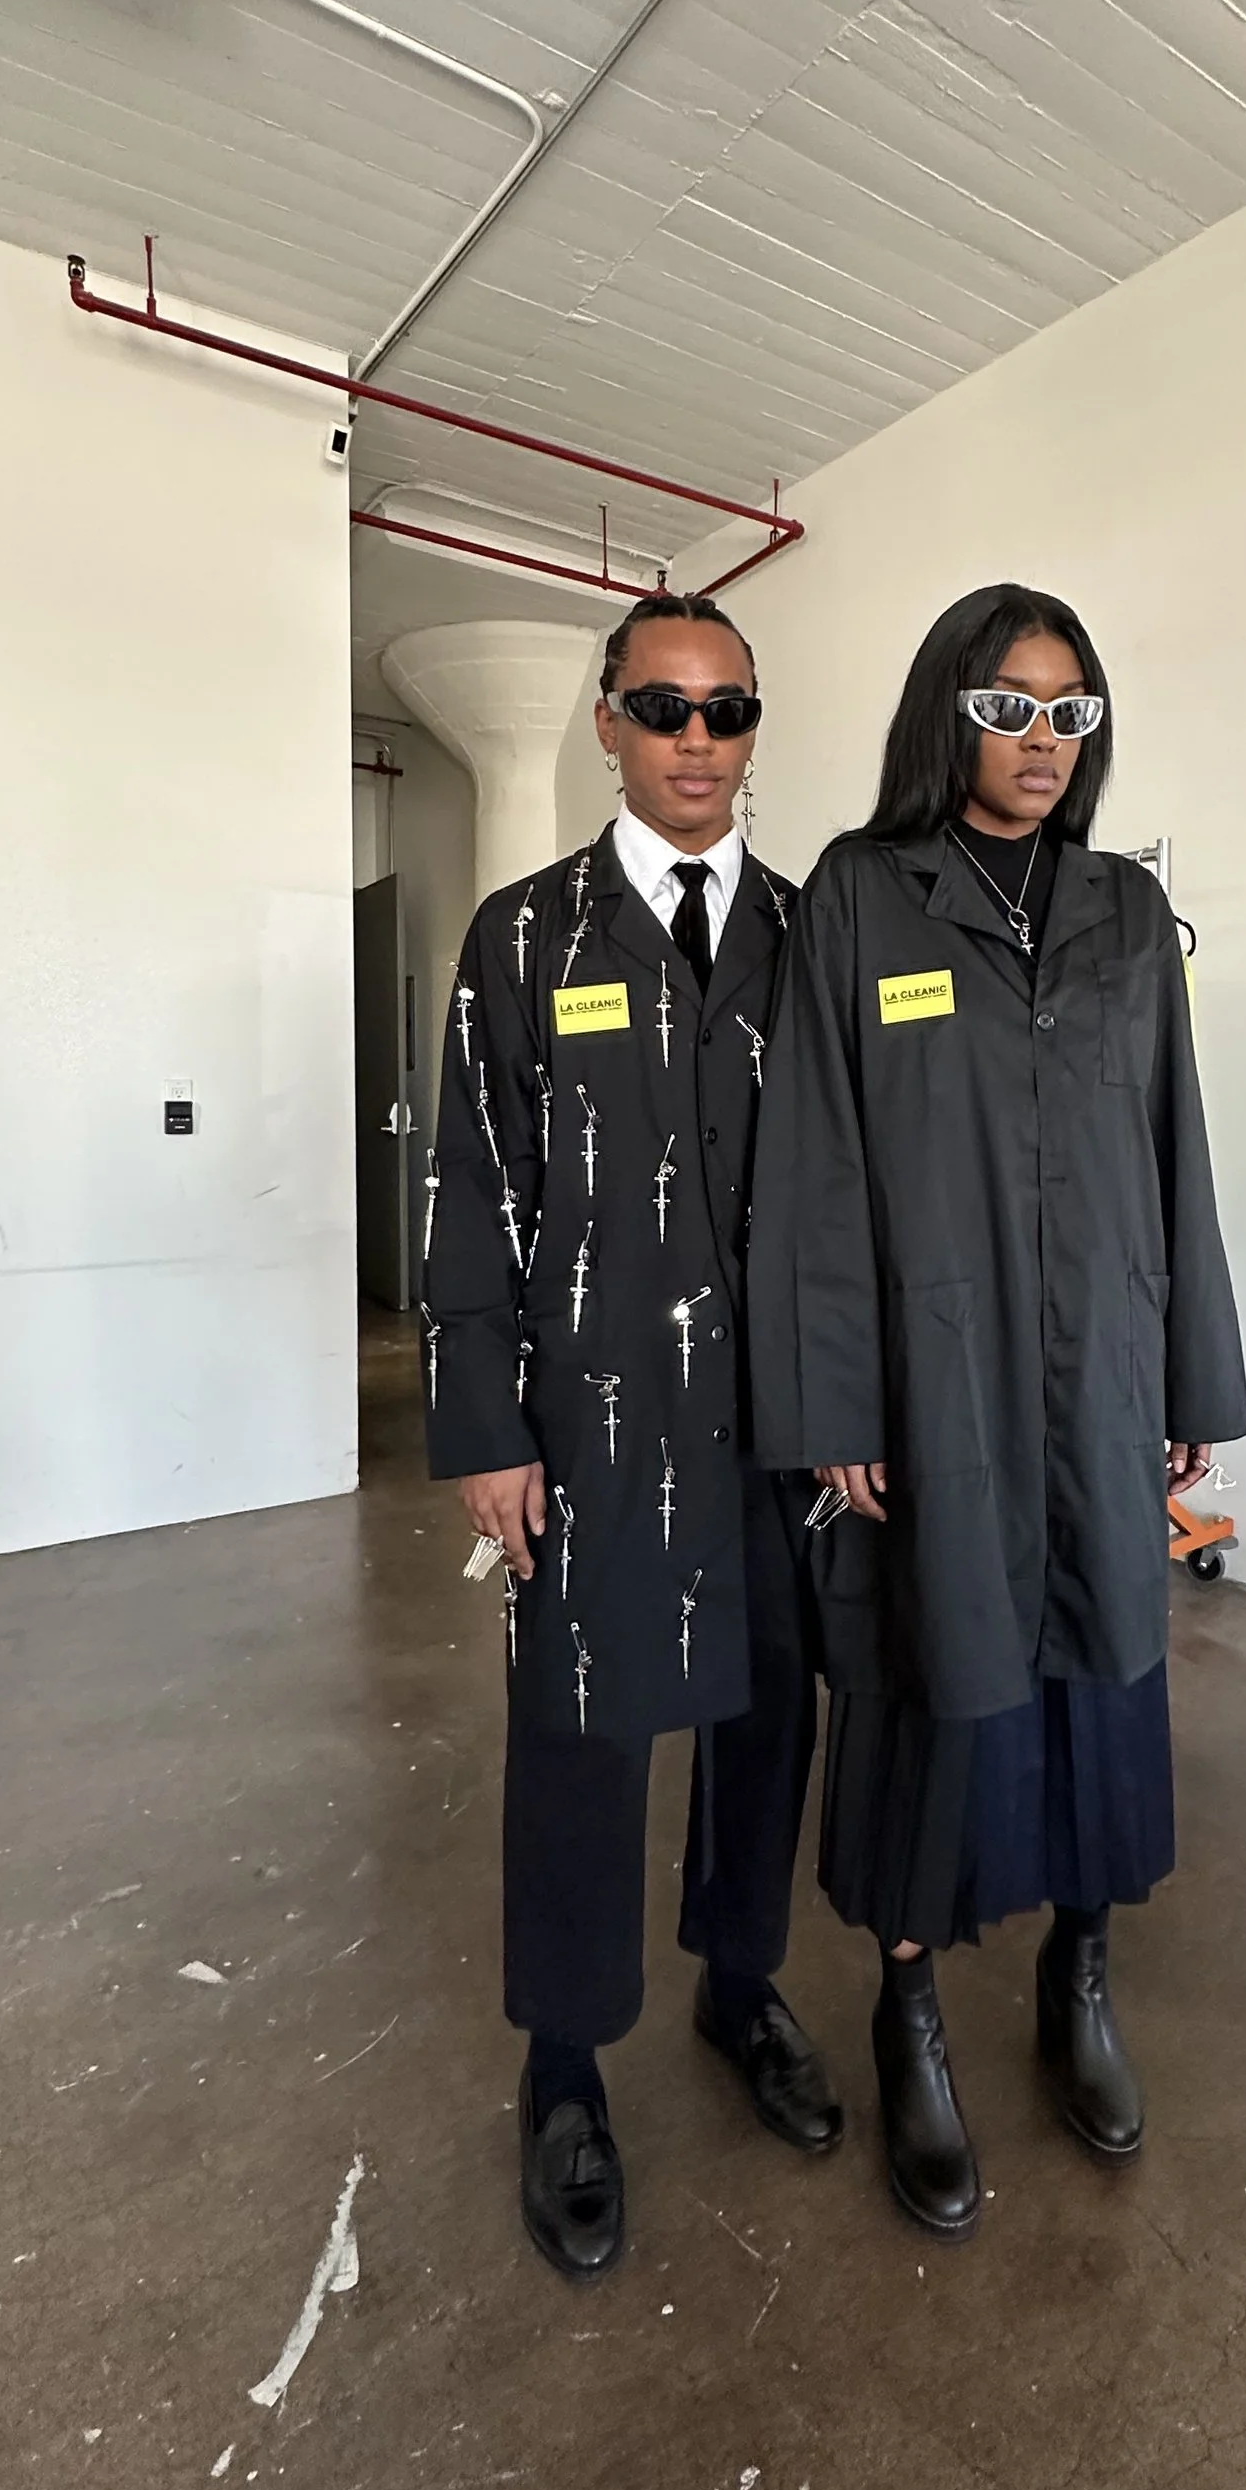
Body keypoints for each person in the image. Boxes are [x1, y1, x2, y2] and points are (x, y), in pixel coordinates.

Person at [748, 583, 1246, 2238]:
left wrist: (1187, 1383)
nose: (1044, 741)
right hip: (931, 1379)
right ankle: (908, 2017)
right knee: (930, 1680)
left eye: (1073, 713)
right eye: (1014, 705)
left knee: (1101, 1674)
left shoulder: (1121, 912)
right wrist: (834, 1405)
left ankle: (1077, 1981)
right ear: (949, 711)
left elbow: (1175, 1151)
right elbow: (813, 1170)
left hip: (1097, 1372)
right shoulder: (861, 899)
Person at [425, 591, 840, 2281]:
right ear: (607, 719)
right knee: (583, 1740)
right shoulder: (524, 941)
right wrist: (482, 1419)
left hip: (781, 1426)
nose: (694, 742)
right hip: (590, 1427)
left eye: (726, 712)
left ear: (754, 732)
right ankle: (568, 2062)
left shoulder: (817, 943)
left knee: (766, 1721)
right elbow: (470, 1190)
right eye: (661, 708)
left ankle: (742, 1989)